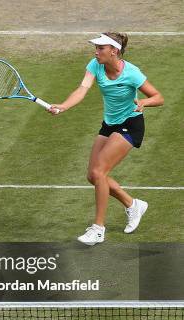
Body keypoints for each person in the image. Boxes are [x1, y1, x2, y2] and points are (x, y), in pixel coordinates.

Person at [50, 33, 163, 245]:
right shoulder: (95, 65)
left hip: (131, 124)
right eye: (96, 47)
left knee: (99, 172)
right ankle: (133, 205)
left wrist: (145, 103)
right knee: (93, 176)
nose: (96, 51)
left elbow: (158, 97)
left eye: (101, 48)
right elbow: (82, 89)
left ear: (114, 51)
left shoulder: (132, 73)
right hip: (109, 124)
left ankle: (98, 228)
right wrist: (64, 105)